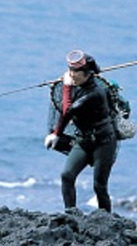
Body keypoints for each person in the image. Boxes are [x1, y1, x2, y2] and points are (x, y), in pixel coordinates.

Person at [44, 50, 118, 213]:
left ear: (87, 74)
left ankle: (106, 220)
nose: (71, 75)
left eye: (75, 72)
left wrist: (65, 86)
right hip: (83, 140)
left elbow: (68, 110)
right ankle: (71, 216)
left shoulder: (95, 93)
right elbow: (66, 111)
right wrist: (56, 134)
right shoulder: (78, 87)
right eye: (70, 71)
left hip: (103, 141)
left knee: (99, 186)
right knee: (67, 176)